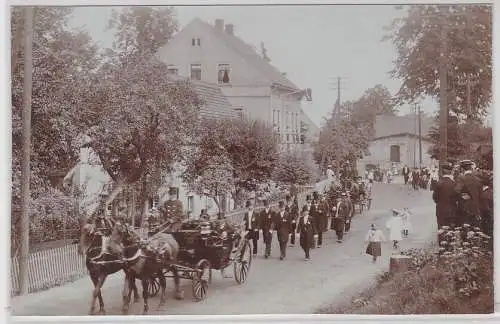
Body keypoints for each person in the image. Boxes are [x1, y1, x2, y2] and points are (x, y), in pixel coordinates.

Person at [454, 160, 483, 228]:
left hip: (464, 207)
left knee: (464, 229)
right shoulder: (478, 179)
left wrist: (462, 196)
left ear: (462, 168)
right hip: (476, 208)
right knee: (475, 230)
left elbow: (457, 190)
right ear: (470, 168)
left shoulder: (461, 178)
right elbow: (481, 194)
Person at [432, 163, 459, 229]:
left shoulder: (439, 183)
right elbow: (457, 196)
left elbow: (435, 197)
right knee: (451, 231)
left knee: (441, 229)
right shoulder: (454, 183)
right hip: (452, 210)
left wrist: (440, 202)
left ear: (442, 172)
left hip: (440, 210)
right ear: (450, 172)